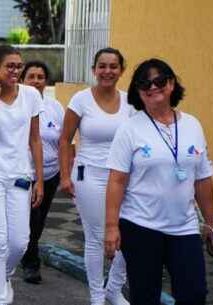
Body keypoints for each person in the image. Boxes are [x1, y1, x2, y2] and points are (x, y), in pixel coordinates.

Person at [105, 58, 213, 305]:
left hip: (184, 227)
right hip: (141, 226)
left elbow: (203, 178)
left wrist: (211, 224)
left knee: (194, 295)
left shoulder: (193, 125)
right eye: (145, 83)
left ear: (172, 84)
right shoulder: (130, 129)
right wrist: (111, 226)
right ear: (138, 91)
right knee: (145, 297)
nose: (153, 87)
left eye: (159, 81)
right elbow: (117, 181)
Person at [0, 43, 44, 305]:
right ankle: (0, 298)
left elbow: (35, 140)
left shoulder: (32, 96)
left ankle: (4, 275)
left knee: (19, 242)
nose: (15, 71)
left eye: (18, 66)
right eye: (9, 66)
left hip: (21, 173)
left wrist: (40, 180)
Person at [58, 48, 132, 305]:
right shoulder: (81, 100)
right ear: (94, 70)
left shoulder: (130, 102)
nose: (107, 71)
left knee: (128, 234)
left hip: (123, 177)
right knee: (97, 236)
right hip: (89, 173)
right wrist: (65, 176)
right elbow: (65, 140)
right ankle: (97, 296)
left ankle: (114, 288)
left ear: (121, 70)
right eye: (102, 66)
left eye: (113, 66)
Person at [18, 61, 66, 285]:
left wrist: (66, 172)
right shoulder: (17, 104)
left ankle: (26, 252)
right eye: (31, 76)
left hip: (51, 174)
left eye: (40, 77)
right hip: (23, 174)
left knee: (39, 221)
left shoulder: (56, 107)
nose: (36, 81)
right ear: (23, 79)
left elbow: (65, 142)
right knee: (30, 219)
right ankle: (30, 263)